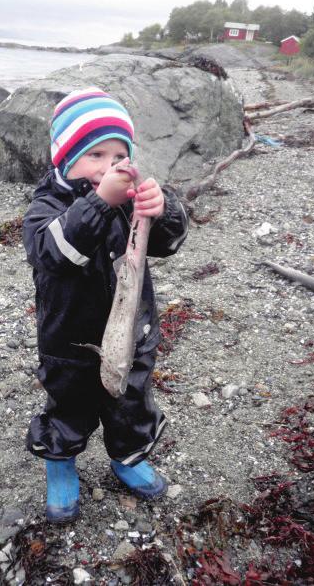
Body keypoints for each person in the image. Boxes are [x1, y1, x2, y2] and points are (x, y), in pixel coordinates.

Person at [22, 86, 188, 523]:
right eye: (95, 155)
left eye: (119, 156)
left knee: (132, 404)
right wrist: (98, 203)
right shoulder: (46, 207)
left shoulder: (126, 201)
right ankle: (60, 464)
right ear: (64, 156)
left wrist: (164, 209)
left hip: (132, 336)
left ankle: (127, 458)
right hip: (69, 344)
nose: (109, 167)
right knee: (68, 408)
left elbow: (168, 244)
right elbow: (53, 253)